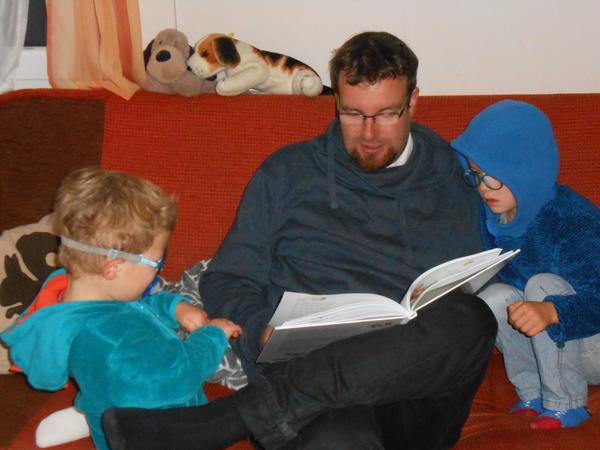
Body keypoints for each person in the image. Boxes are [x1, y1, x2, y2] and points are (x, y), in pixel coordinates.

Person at [102, 31, 498, 449]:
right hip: (314, 402)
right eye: (352, 113)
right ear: (336, 101)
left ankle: (225, 421)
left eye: (386, 114)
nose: (369, 133)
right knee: (337, 440)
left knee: (472, 318)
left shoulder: (453, 179)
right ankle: (259, 411)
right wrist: (260, 330)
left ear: (413, 101)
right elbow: (227, 278)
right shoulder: (287, 173)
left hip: (410, 393)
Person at [0, 168, 242, 450]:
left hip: (115, 396)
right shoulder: (113, 337)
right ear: (114, 268)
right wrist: (213, 336)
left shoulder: (75, 295)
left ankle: (91, 413)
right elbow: (176, 378)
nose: (157, 272)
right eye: (157, 263)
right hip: (155, 436)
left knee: (108, 386)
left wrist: (175, 307)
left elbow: (136, 308)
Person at [451, 99, 600, 429]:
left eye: (495, 177)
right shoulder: (488, 214)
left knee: (541, 285)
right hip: (545, 350)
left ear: (527, 171)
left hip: (592, 343)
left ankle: (566, 403)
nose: (484, 188)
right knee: (494, 297)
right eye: (477, 175)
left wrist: (553, 311)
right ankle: (533, 392)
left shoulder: (571, 219)